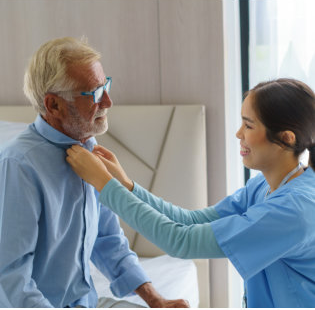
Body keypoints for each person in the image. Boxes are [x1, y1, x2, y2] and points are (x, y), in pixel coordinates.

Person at [66, 78, 315, 308]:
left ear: (286, 139)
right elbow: (189, 222)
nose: (238, 134)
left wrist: (104, 184)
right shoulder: (264, 187)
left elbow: (181, 241)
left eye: (248, 125)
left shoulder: (294, 209)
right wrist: (125, 184)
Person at [0, 37, 189, 308]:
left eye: (105, 87)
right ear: (54, 105)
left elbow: (107, 237)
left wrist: (156, 299)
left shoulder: (87, 145)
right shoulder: (18, 165)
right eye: (95, 94)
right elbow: (10, 279)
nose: (109, 102)